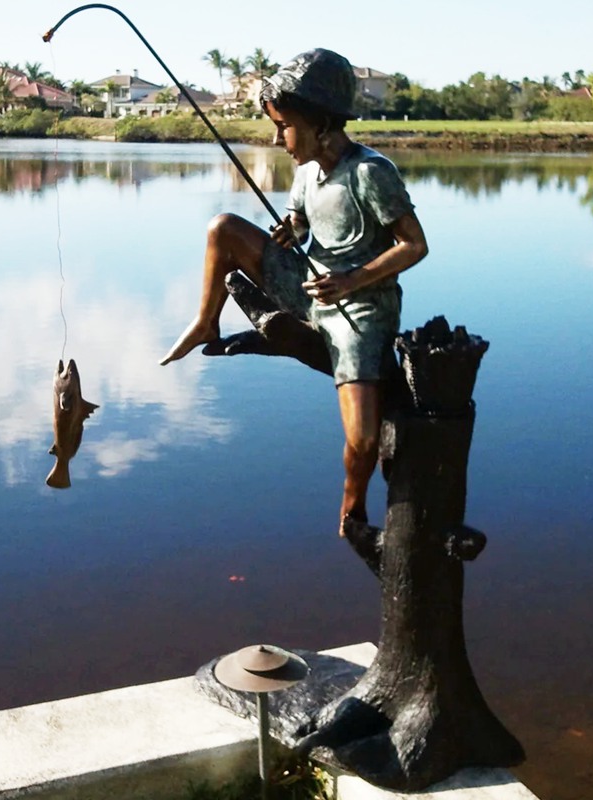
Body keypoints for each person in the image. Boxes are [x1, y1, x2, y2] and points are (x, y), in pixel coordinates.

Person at [160, 49, 428, 536]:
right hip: (308, 290)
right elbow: (304, 227)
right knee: (223, 228)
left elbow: (415, 246)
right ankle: (206, 320)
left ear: (319, 121)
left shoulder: (370, 173)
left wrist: (351, 280)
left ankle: (353, 509)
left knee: (364, 439)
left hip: (358, 313)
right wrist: (290, 230)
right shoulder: (306, 173)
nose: (277, 139)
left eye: (282, 126)